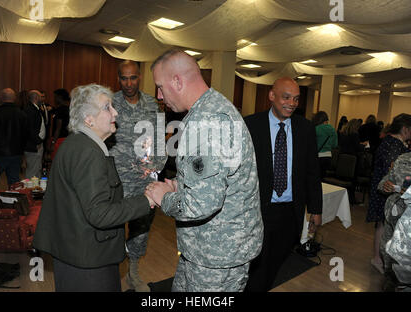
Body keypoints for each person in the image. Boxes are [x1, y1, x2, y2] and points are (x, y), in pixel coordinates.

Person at [145, 50, 263, 292]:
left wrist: (163, 197)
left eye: (160, 87)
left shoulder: (208, 123)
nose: (158, 95)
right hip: (204, 249)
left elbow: (200, 205)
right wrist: (179, 184)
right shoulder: (206, 111)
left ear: (177, 81)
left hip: (218, 257)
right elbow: (213, 177)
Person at [33, 84, 155, 292]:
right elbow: (100, 214)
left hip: (74, 252)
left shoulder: (76, 144)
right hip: (88, 260)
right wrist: (148, 200)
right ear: (88, 119)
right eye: (108, 107)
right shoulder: (88, 153)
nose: (115, 112)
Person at [244, 77, 323, 292]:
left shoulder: (305, 128)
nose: (292, 103)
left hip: (290, 212)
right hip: (259, 209)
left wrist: (315, 209)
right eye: (286, 97)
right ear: (272, 96)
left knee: (275, 263)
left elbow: (312, 172)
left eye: (296, 99)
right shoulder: (251, 125)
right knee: (256, 265)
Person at [107, 60, 167, 292]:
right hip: (117, 178)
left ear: (140, 77)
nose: (128, 83)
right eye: (124, 78)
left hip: (144, 179)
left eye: (133, 78)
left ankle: (132, 273)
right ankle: (110, 273)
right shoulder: (109, 103)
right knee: (112, 226)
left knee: (141, 227)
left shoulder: (152, 104)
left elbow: (161, 138)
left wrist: (157, 167)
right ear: (118, 78)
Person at [367, 113, 411, 274]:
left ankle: (379, 258)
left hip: (383, 187)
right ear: (405, 129)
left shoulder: (389, 141)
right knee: (383, 224)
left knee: (382, 224)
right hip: (386, 190)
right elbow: (394, 172)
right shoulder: (394, 144)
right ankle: (378, 259)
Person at [378, 152, 411, 291]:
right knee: (386, 253)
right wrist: (385, 186)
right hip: (393, 219)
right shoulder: (403, 158)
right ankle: (390, 279)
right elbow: (384, 182)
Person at [0, 88, 28, 186]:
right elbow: (25, 135)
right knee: (14, 182)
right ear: (14, 98)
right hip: (16, 153)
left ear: (1, 98)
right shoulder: (22, 114)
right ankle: (14, 201)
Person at [24, 90, 46, 179]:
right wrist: (37, 142)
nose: (43, 99)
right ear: (36, 98)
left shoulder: (35, 108)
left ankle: (35, 190)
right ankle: (30, 191)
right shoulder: (30, 110)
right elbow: (29, 129)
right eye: (41, 97)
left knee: (37, 169)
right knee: (32, 171)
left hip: (36, 144)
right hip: (33, 145)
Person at [312, 111, 338, 180]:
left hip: (317, 157)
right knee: (323, 179)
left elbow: (311, 144)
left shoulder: (315, 129)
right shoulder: (332, 129)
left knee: (315, 179)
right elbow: (335, 145)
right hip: (328, 157)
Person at [46, 88, 70, 161]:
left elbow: (58, 128)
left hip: (59, 139)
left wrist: (53, 142)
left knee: (56, 161)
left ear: (59, 97)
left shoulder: (60, 110)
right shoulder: (69, 108)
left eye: (55, 97)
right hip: (67, 138)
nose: (54, 99)